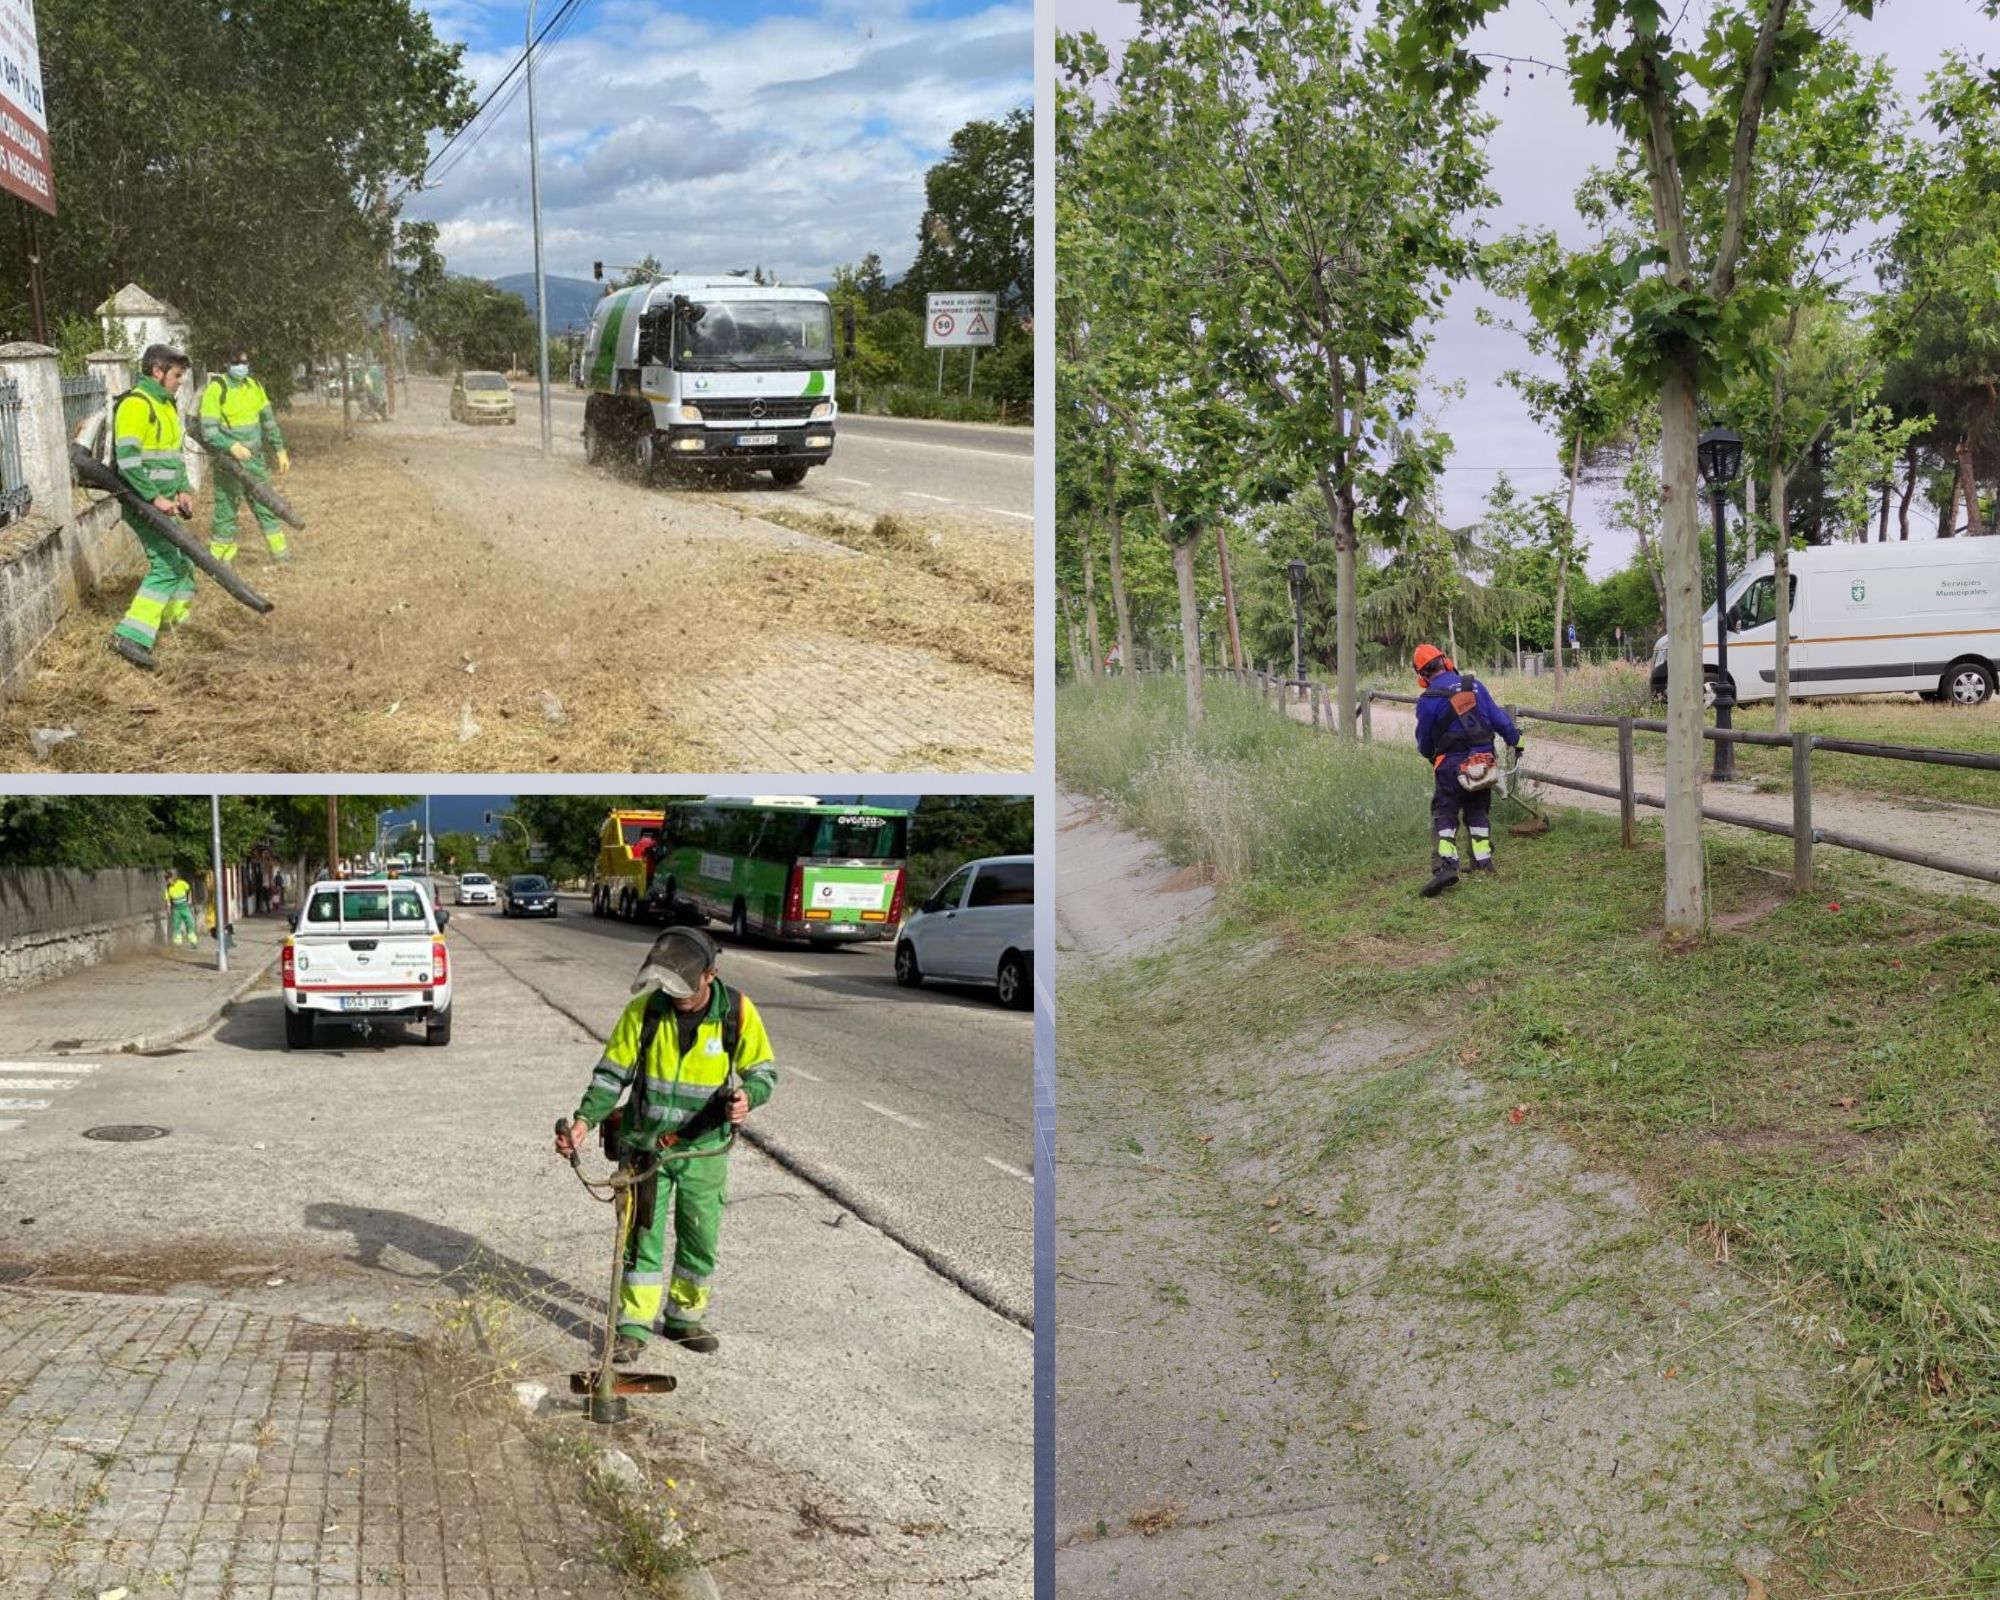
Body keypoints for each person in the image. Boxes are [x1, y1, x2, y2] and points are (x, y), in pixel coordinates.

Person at [554, 927, 777, 1360]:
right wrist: (584, 1121)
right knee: (641, 1237)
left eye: (685, 989)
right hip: (645, 1146)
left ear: (710, 975)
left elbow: (763, 1070)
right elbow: (611, 1074)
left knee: (699, 1234)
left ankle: (683, 1319)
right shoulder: (643, 1012)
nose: (676, 997)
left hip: (702, 1150)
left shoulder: (738, 1013)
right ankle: (633, 1327)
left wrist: (749, 1096)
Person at [108, 346, 197, 670]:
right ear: (157, 371)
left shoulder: (166, 406)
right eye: (176, 375)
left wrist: (183, 488)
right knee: (167, 566)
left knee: (184, 559)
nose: (180, 382)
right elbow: (130, 461)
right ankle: (129, 636)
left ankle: (174, 620)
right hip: (143, 503)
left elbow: (173, 456)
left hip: (165, 502)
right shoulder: (136, 404)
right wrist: (154, 499)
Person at [1413, 643, 1522, 897]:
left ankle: (1446, 866)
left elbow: (1424, 745)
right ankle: (1483, 863)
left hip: (1450, 767)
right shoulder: (1475, 685)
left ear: (1422, 676)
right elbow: (1499, 720)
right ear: (1446, 662)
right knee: (1477, 811)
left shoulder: (1428, 701)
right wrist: (1517, 740)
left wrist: (1433, 756)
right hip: (1482, 764)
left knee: (1444, 814)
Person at [199, 346, 291, 565]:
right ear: (227, 365)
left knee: (266, 504)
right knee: (227, 509)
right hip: (229, 464)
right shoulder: (216, 390)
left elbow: (268, 421)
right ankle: (220, 563)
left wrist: (280, 449)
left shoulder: (254, 386)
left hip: (255, 461)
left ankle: (282, 558)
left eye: (245, 363)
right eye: (237, 364)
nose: (242, 367)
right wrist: (230, 446)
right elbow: (208, 432)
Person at [163, 868, 196, 947]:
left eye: (168, 879)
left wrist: (190, 899)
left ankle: (193, 941)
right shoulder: (168, 888)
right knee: (176, 925)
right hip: (176, 909)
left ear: (172, 878)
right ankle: (178, 943)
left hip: (185, 907)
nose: (167, 881)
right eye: (166, 880)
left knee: (190, 923)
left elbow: (189, 890)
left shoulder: (181, 883)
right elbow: (168, 900)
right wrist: (168, 909)